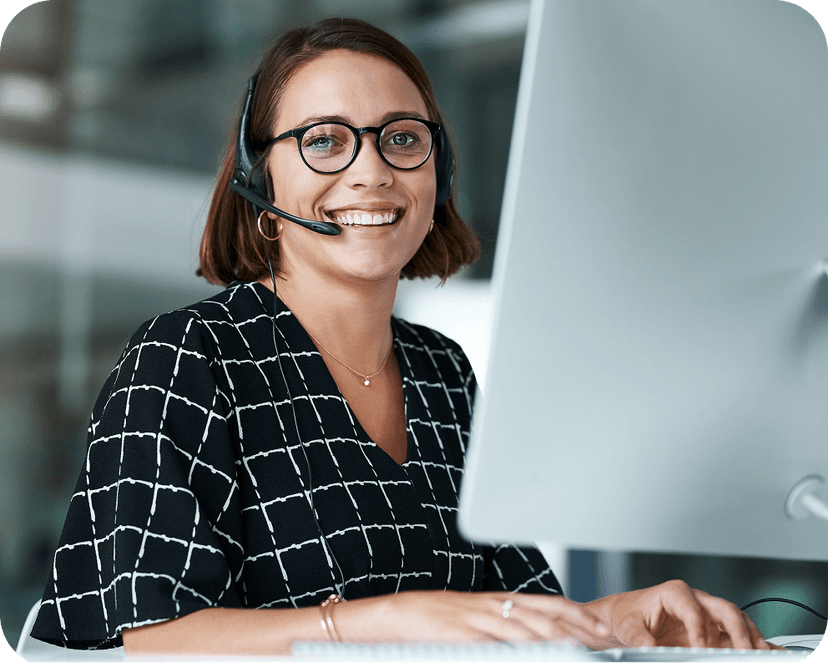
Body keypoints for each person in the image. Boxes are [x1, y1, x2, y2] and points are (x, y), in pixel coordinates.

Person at [31, 17, 774, 655]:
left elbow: (510, 602)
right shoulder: (185, 359)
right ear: (261, 182)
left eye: (402, 139)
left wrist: (621, 613)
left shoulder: (442, 372)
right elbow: (155, 638)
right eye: (325, 141)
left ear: (437, 171)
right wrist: (388, 619)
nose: (372, 171)